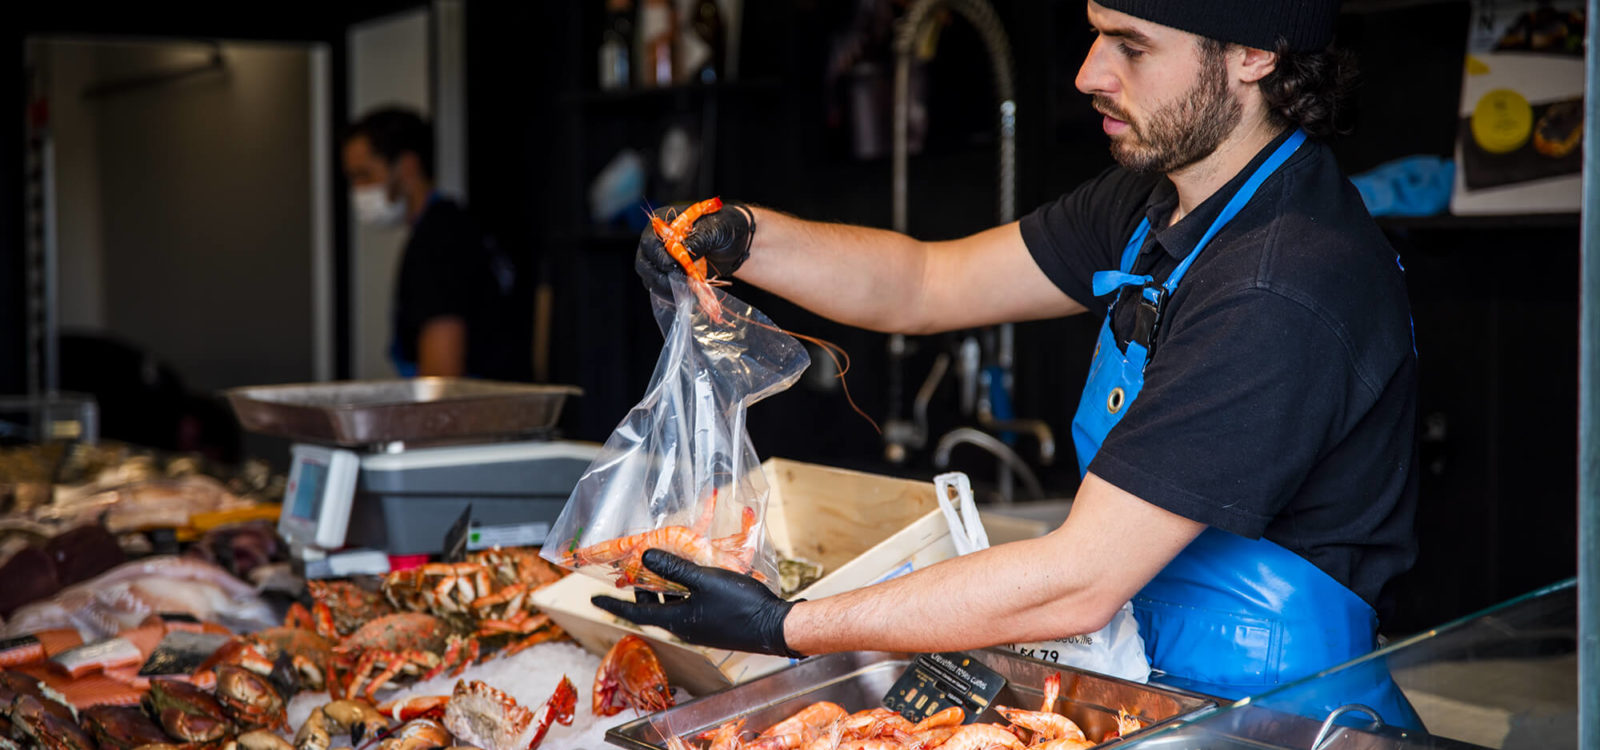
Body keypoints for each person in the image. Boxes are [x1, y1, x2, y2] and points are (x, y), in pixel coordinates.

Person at [598, 0, 1427, 728]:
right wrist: (743, 235)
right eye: (1094, 32)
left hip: (1280, 714)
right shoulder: (1161, 200)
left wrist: (784, 624)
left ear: (1255, 56)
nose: (1087, 73)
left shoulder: (1279, 282)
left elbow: (1078, 579)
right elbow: (927, 281)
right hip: (1158, 682)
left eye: (1131, 47)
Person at [342, 107, 528, 380]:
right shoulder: (455, 223)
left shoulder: (438, 241)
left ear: (406, 166)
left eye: (365, 175)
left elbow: (441, 383)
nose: (359, 191)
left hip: (477, 417)